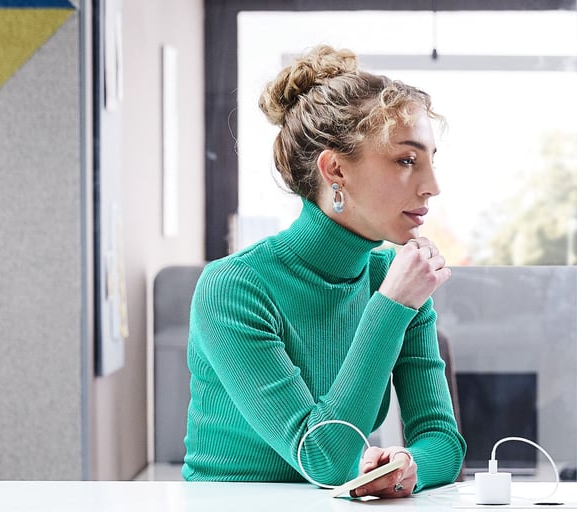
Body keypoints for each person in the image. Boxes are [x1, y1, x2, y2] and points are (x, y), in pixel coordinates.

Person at [183, 45, 464, 498]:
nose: (431, 186)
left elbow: (443, 443)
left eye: (430, 159)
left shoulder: (392, 277)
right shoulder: (234, 288)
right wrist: (390, 307)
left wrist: (408, 466)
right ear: (335, 169)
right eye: (407, 160)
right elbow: (325, 457)